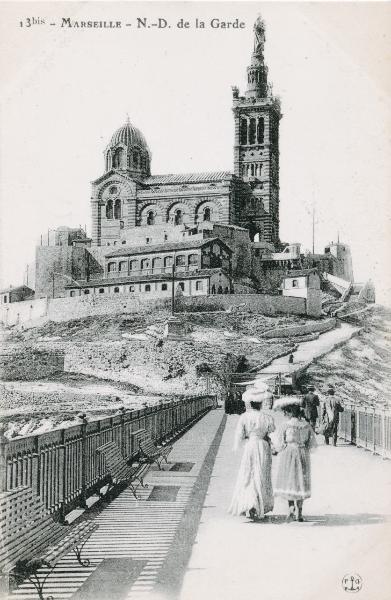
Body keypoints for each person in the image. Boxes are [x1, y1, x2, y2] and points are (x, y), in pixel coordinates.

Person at [229, 381, 275, 521]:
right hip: (262, 446)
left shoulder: (244, 417)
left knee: (248, 474)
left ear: (250, 404)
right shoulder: (267, 418)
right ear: (260, 404)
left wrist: (241, 444)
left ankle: (249, 504)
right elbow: (271, 433)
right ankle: (259, 505)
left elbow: (240, 436)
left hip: (251, 445)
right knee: (260, 474)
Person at [274, 398, 317, 522]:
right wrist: (304, 447)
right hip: (302, 453)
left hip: (289, 453)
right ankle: (300, 512)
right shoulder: (306, 425)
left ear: (289, 413)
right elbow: (312, 443)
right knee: (301, 481)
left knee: (290, 480)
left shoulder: (285, 425)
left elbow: (280, 443)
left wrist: (278, 449)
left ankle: (291, 508)